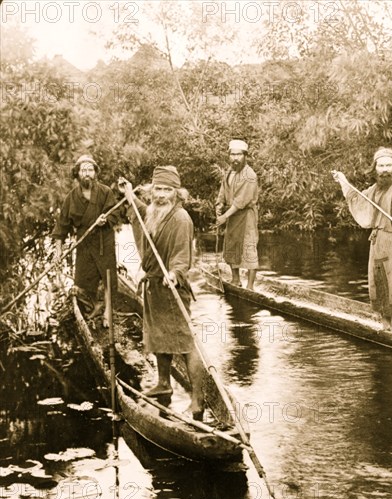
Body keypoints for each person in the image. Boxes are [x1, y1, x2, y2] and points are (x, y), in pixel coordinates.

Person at [118, 166, 204, 420]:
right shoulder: (155, 211)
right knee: (158, 335)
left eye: (168, 190)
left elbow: (181, 254)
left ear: (177, 193)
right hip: (155, 286)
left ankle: (198, 401)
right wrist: (130, 196)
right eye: (158, 188)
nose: (162, 194)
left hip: (171, 286)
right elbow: (144, 217)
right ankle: (164, 382)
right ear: (151, 190)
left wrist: (175, 274)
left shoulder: (181, 218)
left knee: (187, 345)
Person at [333, 147, 392, 333]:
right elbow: (357, 197)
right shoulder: (376, 189)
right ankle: (387, 327)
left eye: (388, 165)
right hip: (378, 242)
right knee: (380, 283)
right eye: (381, 165)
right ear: (375, 168)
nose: (385, 169)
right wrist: (343, 181)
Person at [52, 154, 120, 326]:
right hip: (84, 242)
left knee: (107, 278)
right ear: (78, 173)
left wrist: (106, 219)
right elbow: (62, 225)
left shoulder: (106, 192)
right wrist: (58, 249)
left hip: (104, 240)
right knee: (82, 281)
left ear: (95, 173)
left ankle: (107, 313)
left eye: (90, 170)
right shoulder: (71, 198)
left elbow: (115, 213)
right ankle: (90, 310)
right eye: (83, 170)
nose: (87, 173)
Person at [215, 139, 259, 290]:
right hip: (232, 216)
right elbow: (223, 190)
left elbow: (240, 201)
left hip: (246, 216)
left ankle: (250, 287)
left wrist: (224, 217)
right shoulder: (229, 172)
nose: (235, 158)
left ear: (245, 156)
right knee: (232, 245)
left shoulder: (250, 175)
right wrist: (219, 204)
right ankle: (235, 280)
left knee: (248, 248)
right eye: (232, 154)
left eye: (238, 155)